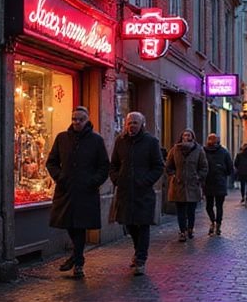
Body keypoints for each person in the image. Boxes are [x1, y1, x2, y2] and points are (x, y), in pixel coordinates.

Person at [46, 106, 109, 278]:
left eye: (80, 119)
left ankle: (78, 263)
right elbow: (51, 162)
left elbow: (104, 166)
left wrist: (93, 181)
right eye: (74, 119)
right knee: (68, 224)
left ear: (87, 120)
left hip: (85, 191)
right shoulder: (62, 138)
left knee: (79, 227)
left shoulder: (96, 140)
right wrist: (60, 177)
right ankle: (77, 256)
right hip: (65, 190)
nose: (77, 122)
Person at [109, 112, 164, 276]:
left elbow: (158, 166)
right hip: (125, 192)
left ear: (142, 125)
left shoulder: (151, 142)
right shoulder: (120, 141)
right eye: (129, 123)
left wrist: (145, 181)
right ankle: (137, 251)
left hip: (143, 192)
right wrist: (117, 179)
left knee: (143, 224)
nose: (131, 126)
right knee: (130, 225)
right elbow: (113, 165)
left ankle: (141, 259)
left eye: (135, 123)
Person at [165, 129, 208, 242]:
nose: (186, 137)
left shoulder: (198, 150)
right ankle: (182, 231)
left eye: (188, 135)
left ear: (192, 137)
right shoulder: (175, 149)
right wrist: (173, 175)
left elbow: (204, 167)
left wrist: (198, 177)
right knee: (180, 210)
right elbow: (168, 166)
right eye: (184, 135)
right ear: (181, 137)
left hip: (193, 184)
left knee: (191, 210)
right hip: (178, 185)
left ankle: (190, 228)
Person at [203, 133, 233, 236]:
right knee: (212, 206)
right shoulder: (222, 152)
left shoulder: (222, 152)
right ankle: (215, 223)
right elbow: (230, 169)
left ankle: (216, 224)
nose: (212, 141)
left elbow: (230, 168)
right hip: (214, 182)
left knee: (213, 206)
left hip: (214, 182)